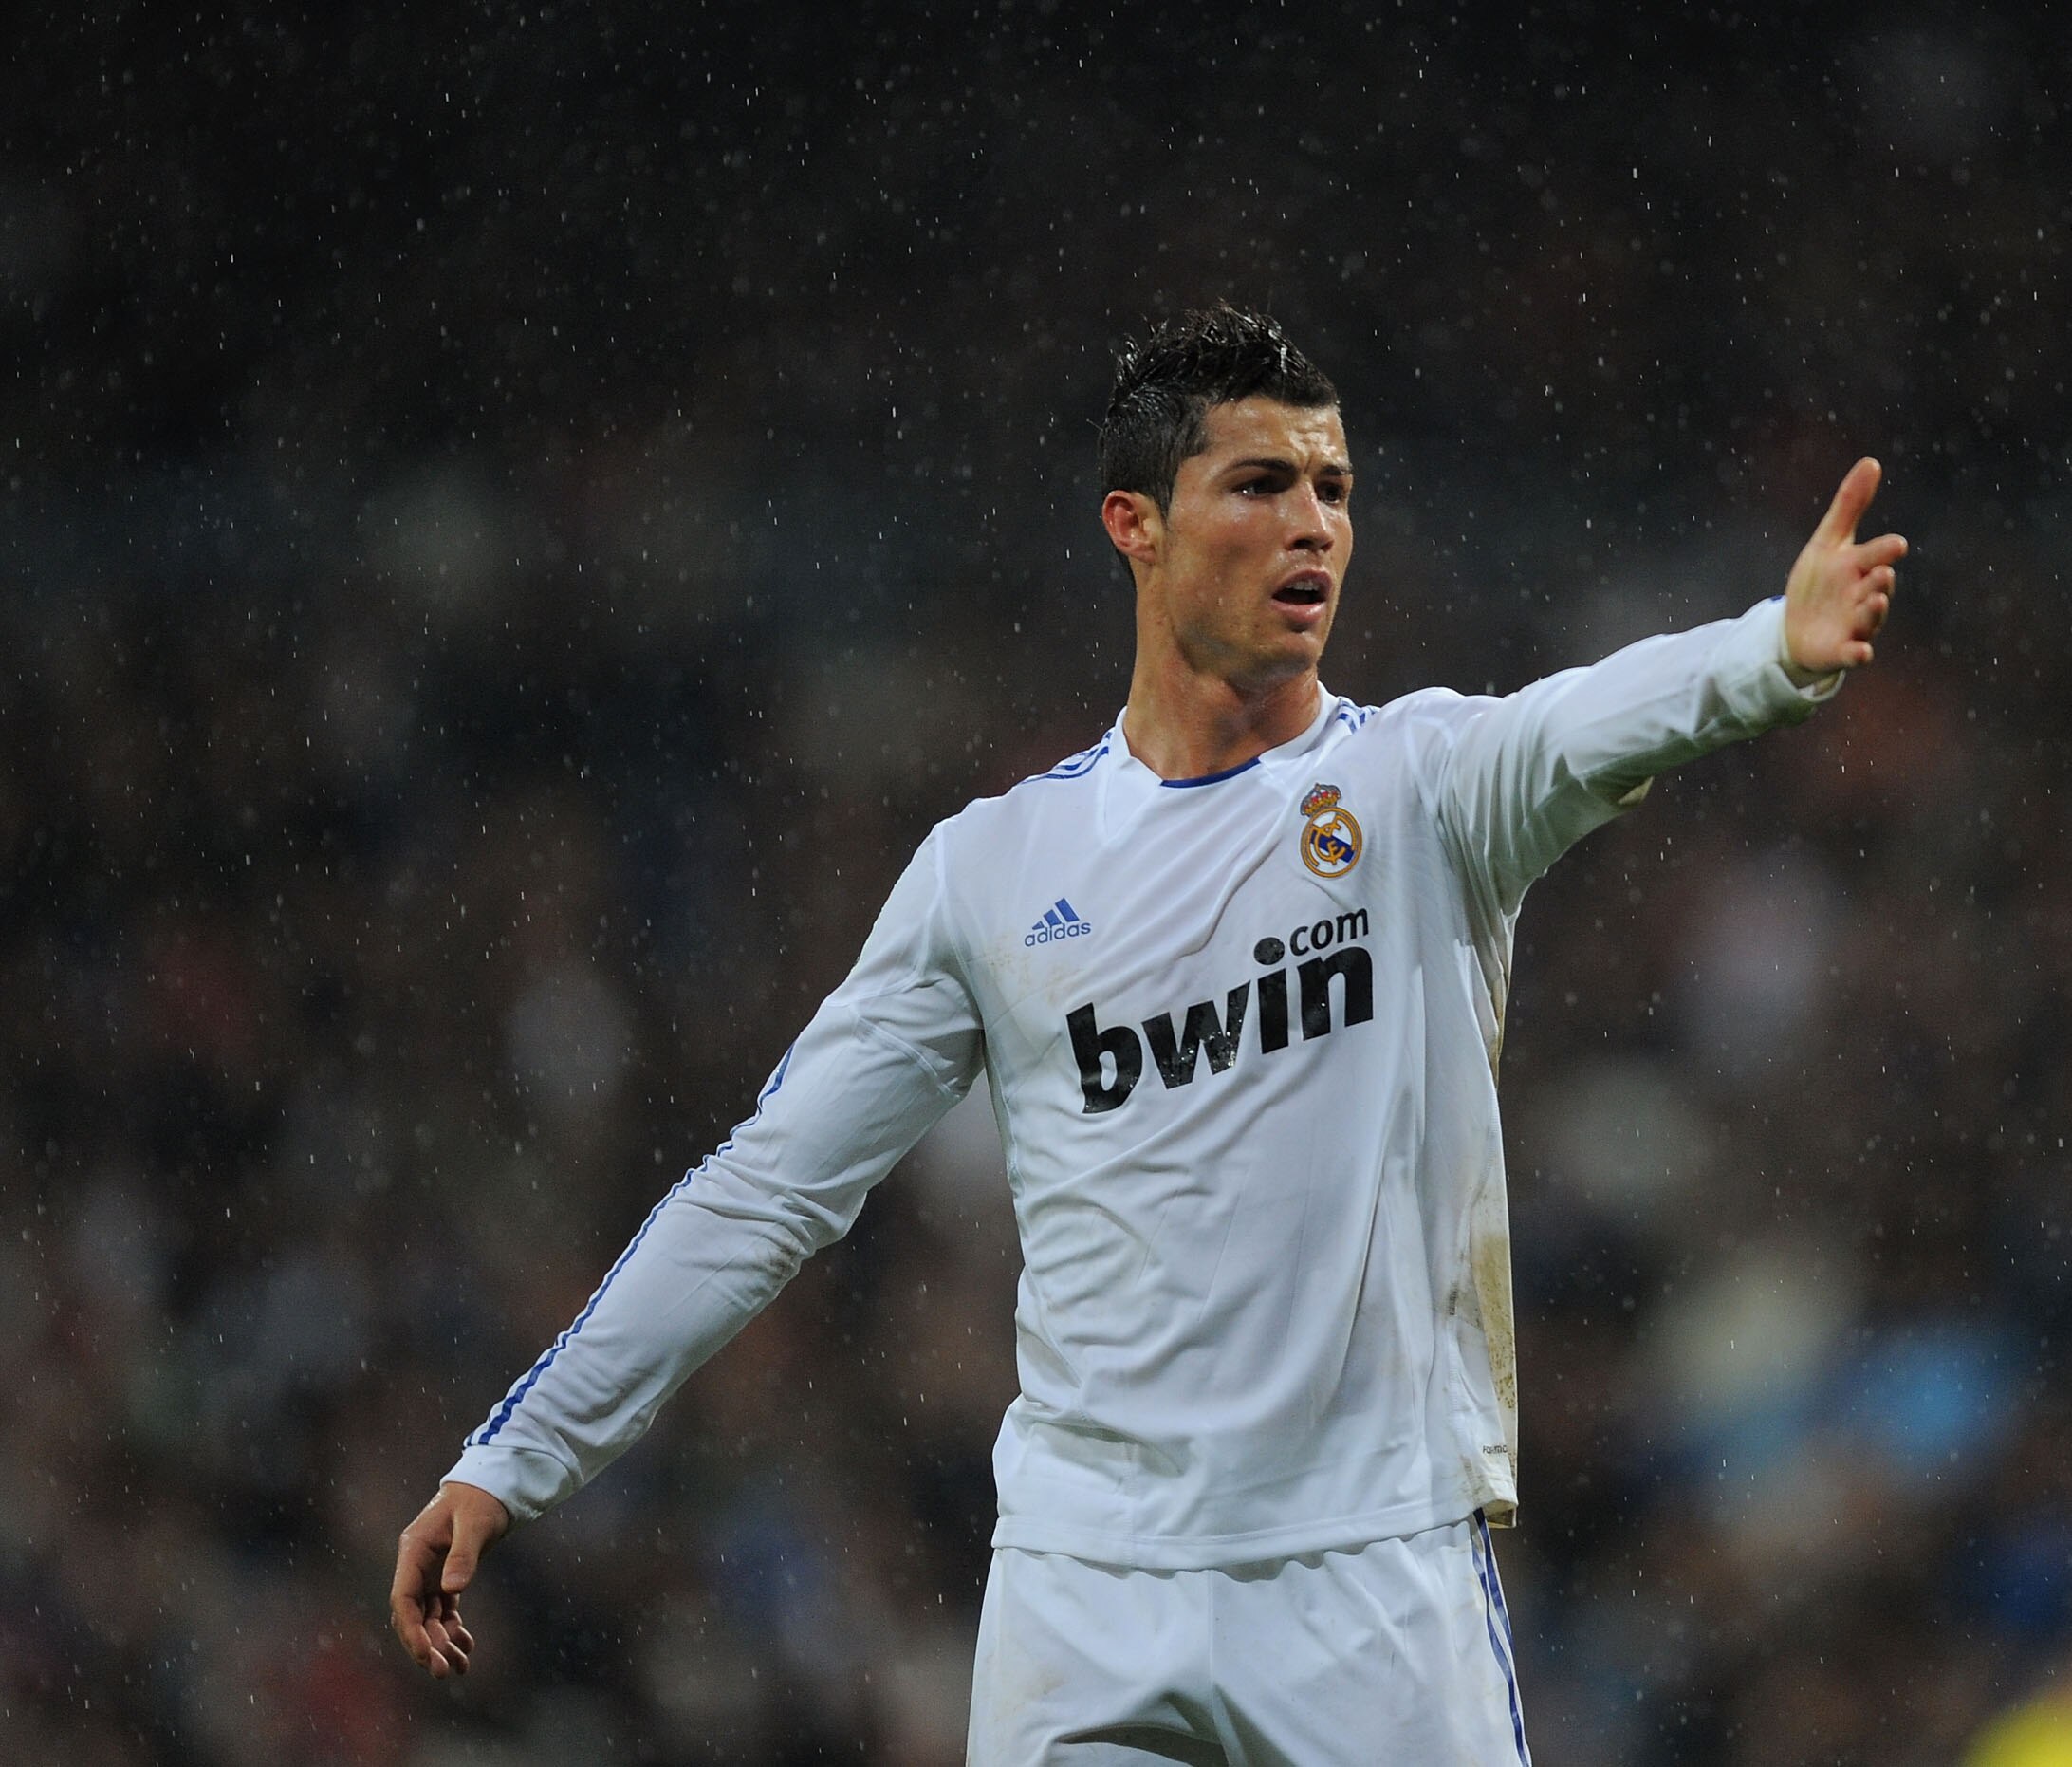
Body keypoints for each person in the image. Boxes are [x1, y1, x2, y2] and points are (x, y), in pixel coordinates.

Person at [389, 304, 1907, 1762]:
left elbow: (1586, 717)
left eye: (1334, 487)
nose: (1313, 523)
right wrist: (515, 1455)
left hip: (1368, 1569)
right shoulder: (992, 872)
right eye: (1260, 483)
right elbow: (770, 1185)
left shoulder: (1422, 791)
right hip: (1086, 1580)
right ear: (1137, 525)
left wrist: (1766, 655)